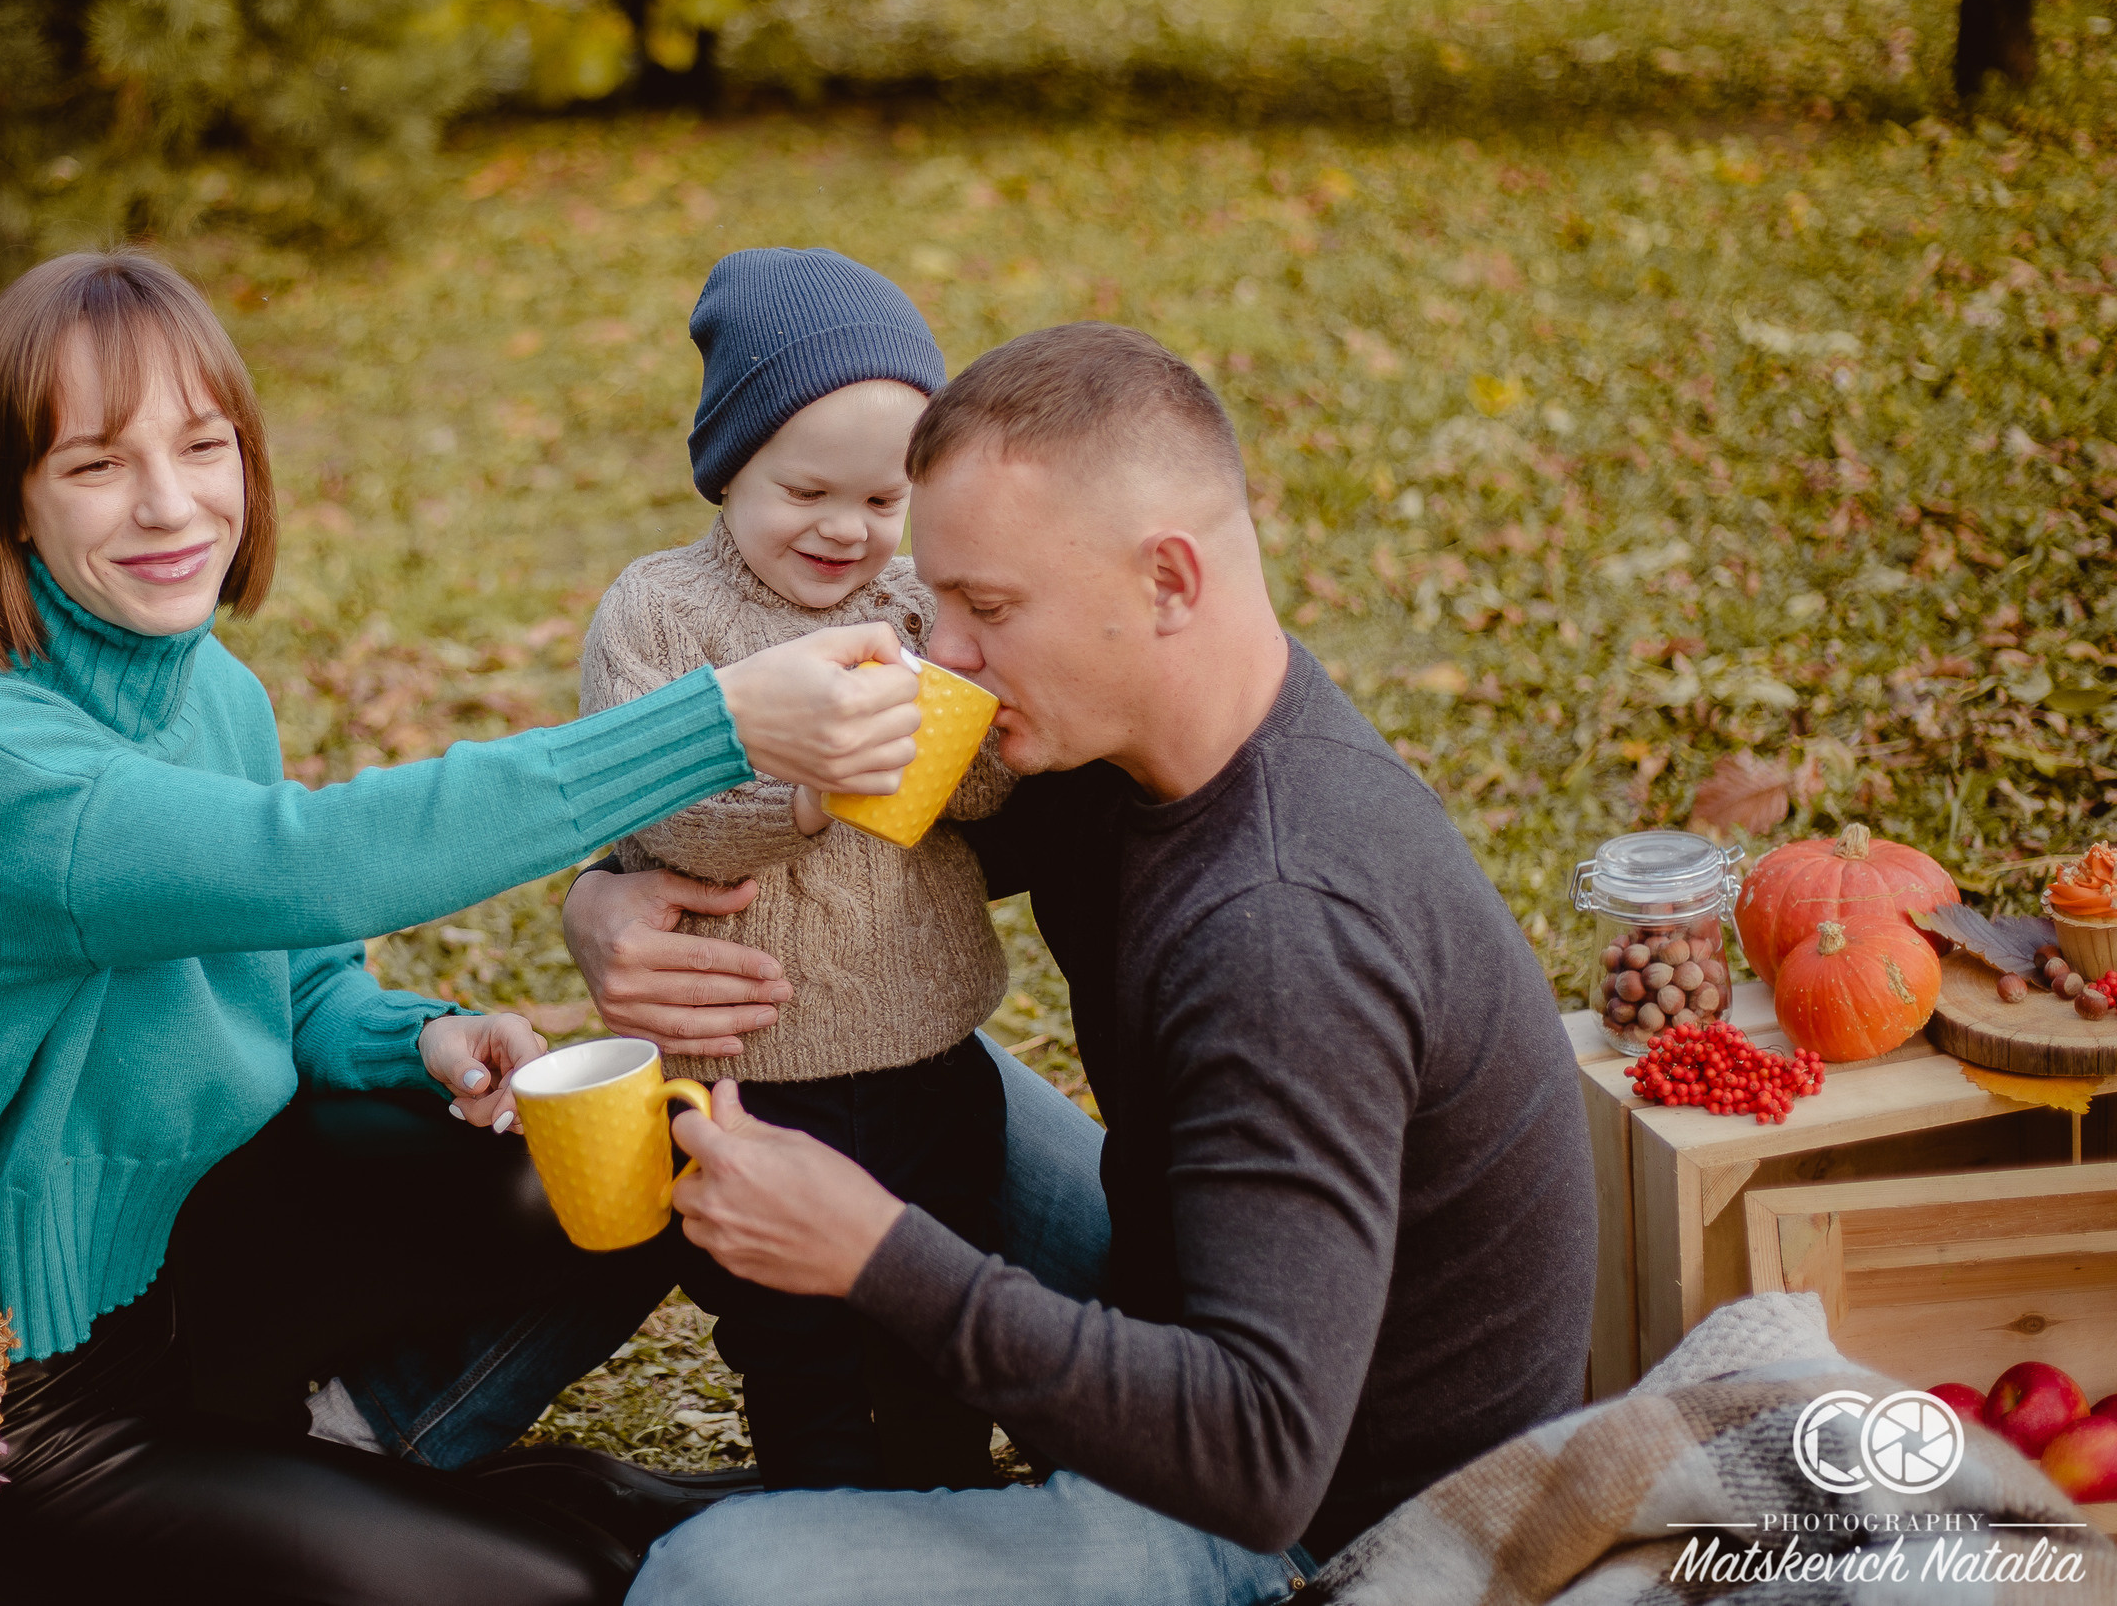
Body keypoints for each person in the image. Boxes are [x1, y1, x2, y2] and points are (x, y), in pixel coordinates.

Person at [0, 248, 930, 1606]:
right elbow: (316, 863)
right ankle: (407, 1500)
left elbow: (293, 976)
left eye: (205, 445)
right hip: (21, 1413)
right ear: (11, 503)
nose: (172, 504)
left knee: (624, 1159)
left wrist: (420, 1039)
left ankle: (370, 1459)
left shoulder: (205, 690)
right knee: (559, 1589)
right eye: (97, 464)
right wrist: (721, 724)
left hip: (206, 1273)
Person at [564, 323, 1598, 1606]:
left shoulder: (1283, 929)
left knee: (710, 1579)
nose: (941, 652)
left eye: (988, 607)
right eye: (937, 598)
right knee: (885, 1054)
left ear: (1169, 580)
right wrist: (602, 897)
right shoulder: (1133, 745)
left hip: (1335, 1516)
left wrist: (874, 1248)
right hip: (1212, 1287)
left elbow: (1262, 1454)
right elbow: (856, 873)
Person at [578, 248, 1013, 1492]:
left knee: (937, 1309)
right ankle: (824, 1519)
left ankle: (946, 1509)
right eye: (805, 488)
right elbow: (660, 815)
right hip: (756, 1067)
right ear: (728, 468)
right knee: (793, 1337)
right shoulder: (660, 615)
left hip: (928, 1045)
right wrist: (806, 785)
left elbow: (984, 793)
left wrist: (958, 733)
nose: (845, 530)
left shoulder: (922, 601)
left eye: (883, 500)